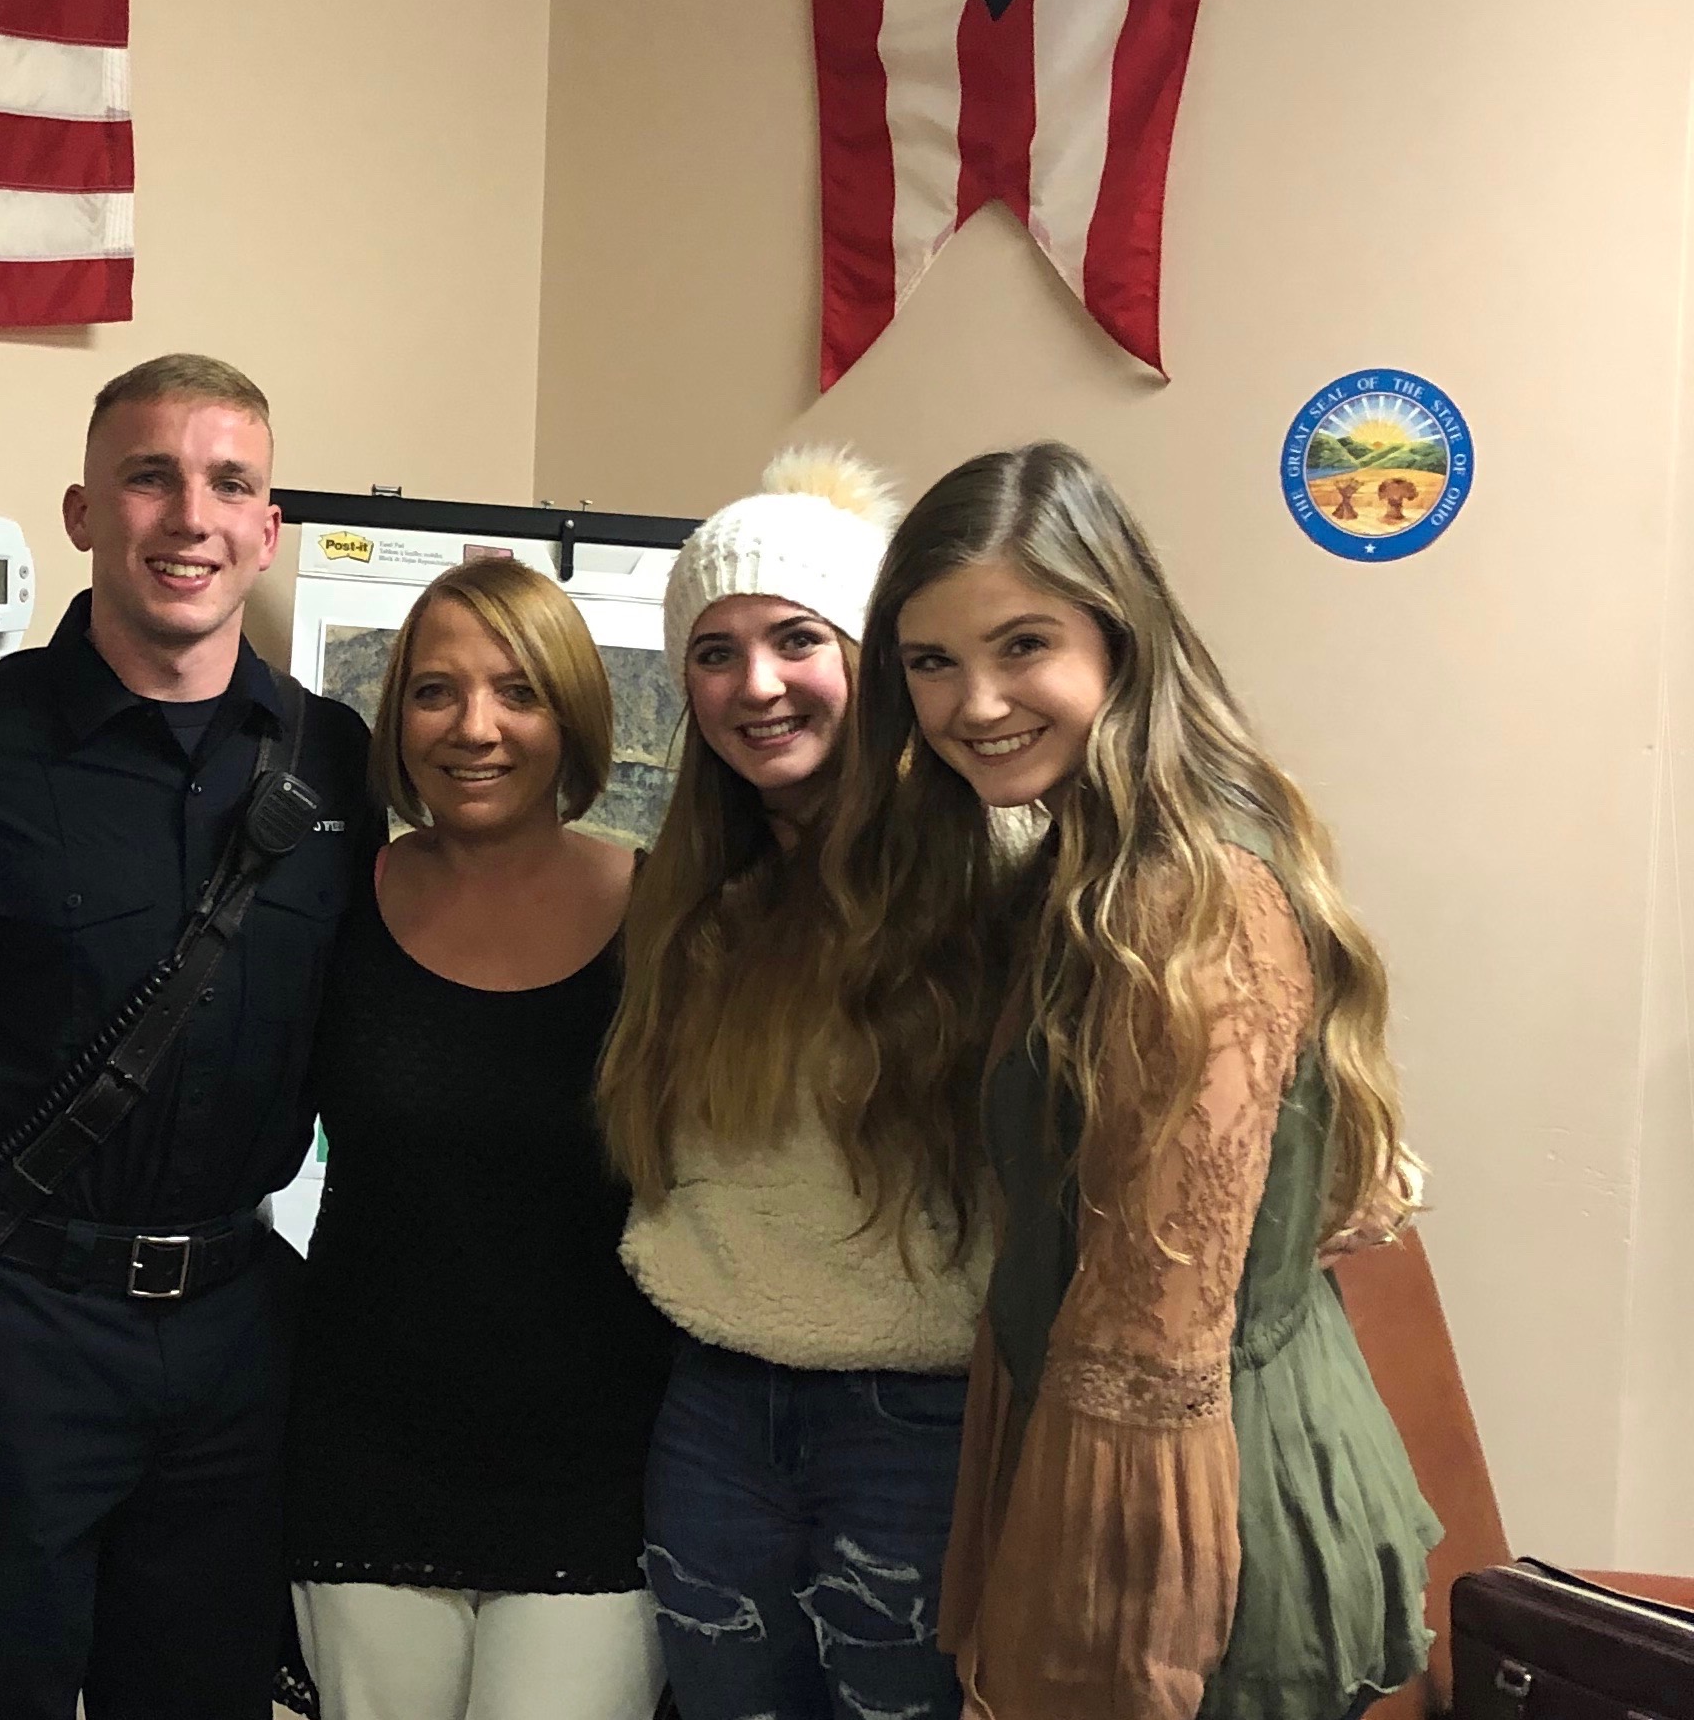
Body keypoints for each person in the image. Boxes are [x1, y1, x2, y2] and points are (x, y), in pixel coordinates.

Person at [858, 441, 1436, 1720]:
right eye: (931, 661)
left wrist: (1078, 1661)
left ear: (1120, 639)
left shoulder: (1184, 899)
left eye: (1023, 645)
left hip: (1190, 1538)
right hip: (1177, 1487)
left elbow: (1147, 1353)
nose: (974, 703)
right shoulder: (1091, 867)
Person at [0, 353, 372, 1720]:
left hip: (239, 1335)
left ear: (267, 527)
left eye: (229, 483)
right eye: (150, 477)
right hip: (16, 1329)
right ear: (84, 511)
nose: (190, 516)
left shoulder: (339, 763)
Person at [595, 450, 998, 1720]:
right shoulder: (691, 899)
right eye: (715, 653)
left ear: (870, 659)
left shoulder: (994, 873)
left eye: (797, 639)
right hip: (715, 1408)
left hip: (921, 1419)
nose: (756, 684)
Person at [283, 557, 672, 1720]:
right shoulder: (334, 898)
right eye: (434, 691)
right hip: (364, 1455)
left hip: (599, 1470)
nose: (474, 727)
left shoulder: (668, 918)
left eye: (518, 692)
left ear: (573, 714)